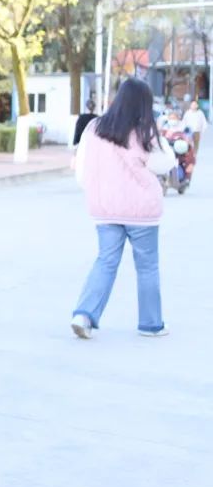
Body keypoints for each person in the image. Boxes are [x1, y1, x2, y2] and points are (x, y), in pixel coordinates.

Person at [70, 78, 175, 340]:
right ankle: (151, 324)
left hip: (105, 208)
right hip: (142, 211)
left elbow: (82, 169)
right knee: (147, 266)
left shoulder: (94, 128)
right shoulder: (144, 130)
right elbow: (164, 164)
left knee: (105, 261)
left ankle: (84, 315)